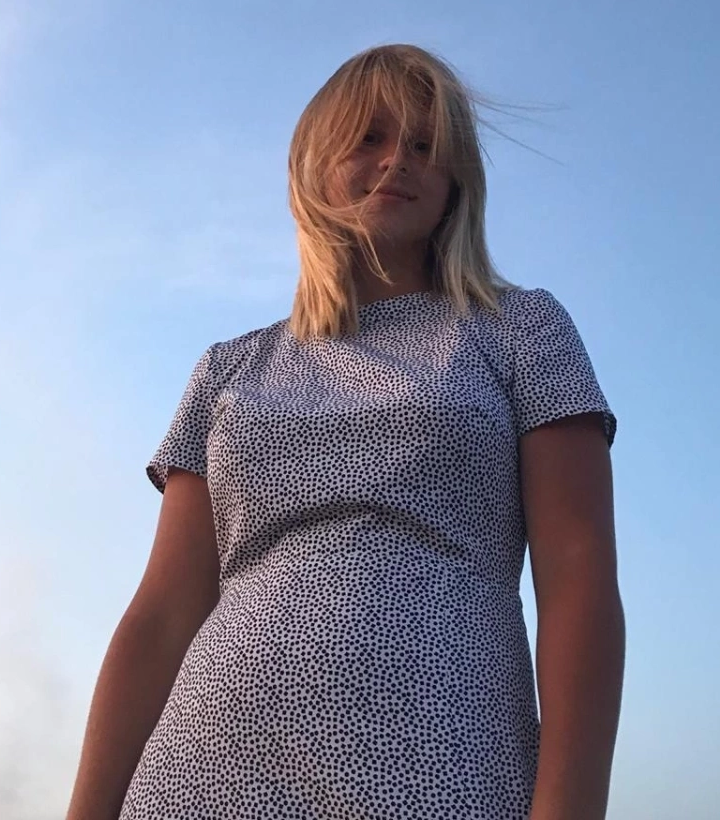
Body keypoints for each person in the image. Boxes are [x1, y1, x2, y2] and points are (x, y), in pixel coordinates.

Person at [65, 44, 625, 820]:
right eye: (370, 137)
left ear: (456, 182)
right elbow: (161, 615)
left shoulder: (521, 329)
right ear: (314, 163)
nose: (398, 161)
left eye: (426, 146)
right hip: (198, 770)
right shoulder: (228, 369)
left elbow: (579, 578)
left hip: (449, 766)